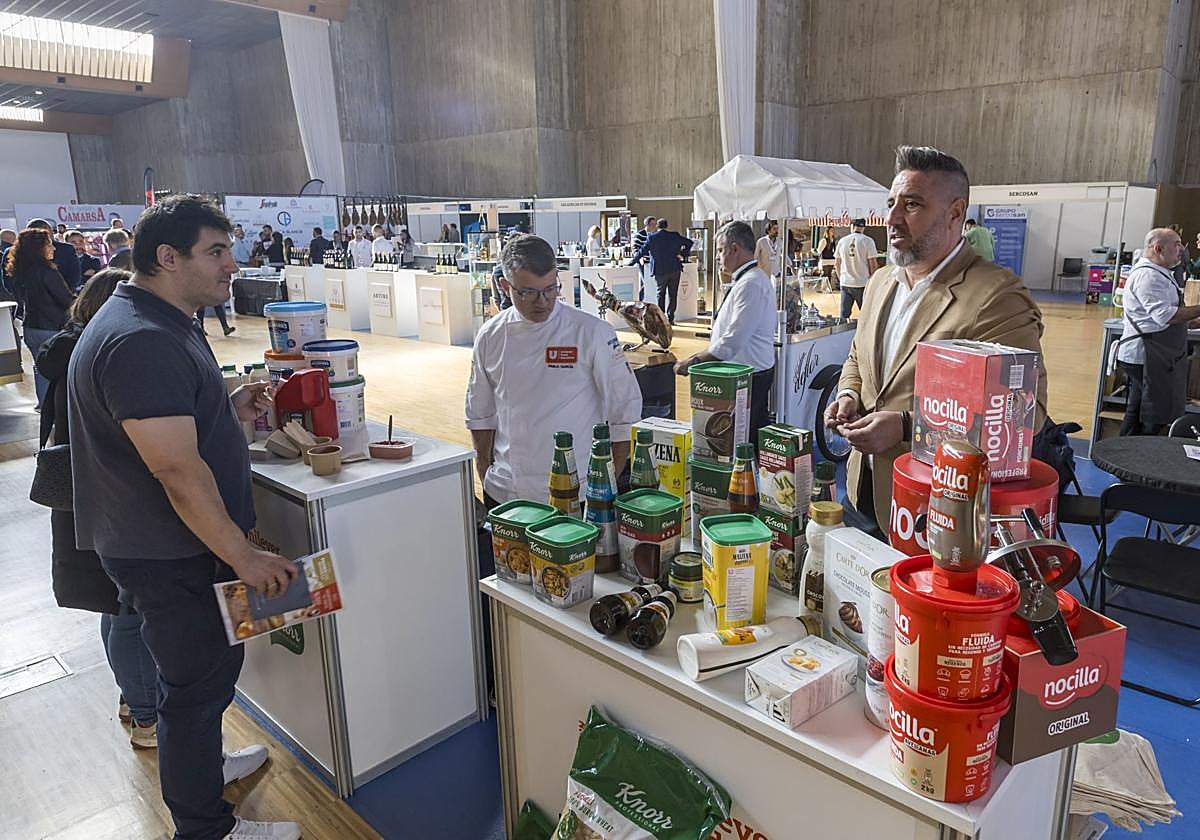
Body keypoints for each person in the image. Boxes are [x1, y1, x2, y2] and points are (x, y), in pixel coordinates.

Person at [68, 195, 301, 840]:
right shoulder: (143, 339)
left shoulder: (156, 317)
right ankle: (206, 827)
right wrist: (244, 554)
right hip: (169, 551)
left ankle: (203, 768)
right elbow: (175, 470)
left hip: (167, 544)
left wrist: (226, 407)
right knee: (195, 688)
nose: (233, 265)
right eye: (216, 252)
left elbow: (165, 428)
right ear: (166, 258)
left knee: (202, 683)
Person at [826, 145, 1048, 535]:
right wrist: (848, 394)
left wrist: (908, 427)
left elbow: (1027, 420)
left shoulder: (996, 298)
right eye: (891, 202)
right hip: (861, 491)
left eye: (911, 205)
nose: (891, 218)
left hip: (936, 510)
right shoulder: (879, 283)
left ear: (955, 214)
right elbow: (857, 357)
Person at [36, 268, 163, 749]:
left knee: (114, 605)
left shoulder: (70, 349)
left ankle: (135, 701)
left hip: (81, 500)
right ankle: (149, 716)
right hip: (106, 498)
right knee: (127, 608)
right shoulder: (102, 355)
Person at [466, 234, 642, 506]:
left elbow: (625, 410)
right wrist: (484, 471)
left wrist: (607, 479)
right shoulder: (490, 335)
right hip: (506, 490)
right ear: (504, 286)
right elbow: (480, 414)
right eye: (528, 292)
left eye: (550, 289)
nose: (543, 301)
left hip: (578, 490)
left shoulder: (591, 332)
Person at [674, 221, 776, 436]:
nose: (718, 257)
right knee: (747, 435)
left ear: (735, 249)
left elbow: (732, 341)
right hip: (746, 372)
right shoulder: (747, 280)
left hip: (750, 375)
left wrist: (693, 362)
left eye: (720, 250)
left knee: (743, 437)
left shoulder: (751, 284)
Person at [1114, 228, 1200, 436]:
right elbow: (1165, 316)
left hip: (1153, 354)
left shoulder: (1159, 273)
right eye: (1176, 245)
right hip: (1146, 355)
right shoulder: (1148, 276)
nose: (1181, 250)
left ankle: (1125, 455)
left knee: (1138, 411)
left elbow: (1163, 316)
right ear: (1158, 248)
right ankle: (1137, 456)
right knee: (1152, 413)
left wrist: (1191, 321)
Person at [7, 227, 74, 405]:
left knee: (39, 368)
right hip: (52, 327)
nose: (53, 248)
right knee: (60, 370)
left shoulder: (20, 271)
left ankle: (44, 405)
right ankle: (58, 409)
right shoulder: (47, 272)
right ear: (38, 248)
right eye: (49, 245)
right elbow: (66, 299)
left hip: (30, 327)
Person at [628, 218, 693, 324]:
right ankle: (671, 317)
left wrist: (631, 263)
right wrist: (683, 254)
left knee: (660, 294)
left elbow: (641, 252)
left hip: (660, 270)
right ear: (667, 225)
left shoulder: (652, 238)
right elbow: (690, 242)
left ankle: (662, 318)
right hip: (674, 268)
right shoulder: (675, 235)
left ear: (657, 226)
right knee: (673, 294)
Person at [834, 218, 880, 318]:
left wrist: (841, 278)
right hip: (862, 284)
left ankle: (842, 333)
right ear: (863, 228)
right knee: (865, 315)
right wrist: (873, 281)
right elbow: (873, 264)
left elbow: (837, 263)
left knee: (843, 315)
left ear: (852, 226)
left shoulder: (842, 241)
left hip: (846, 283)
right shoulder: (868, 241)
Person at [27, 218, 81, 291]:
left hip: (63, 296)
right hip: (30, 298)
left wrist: (65, 294)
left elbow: (74, 276)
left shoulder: (65, 249)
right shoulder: (20, 252)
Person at [632, 215, 655, 301]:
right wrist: (639, 258)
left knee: (646, 283)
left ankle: (643, 300)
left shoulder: (654, 235)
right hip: (642, 262)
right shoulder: (639, 235)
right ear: (647, 225)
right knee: (647, 282)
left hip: (651, 263)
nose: (654, 226)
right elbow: (634, 248)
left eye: (655, 224)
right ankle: (639, 299)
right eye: (652, 224)